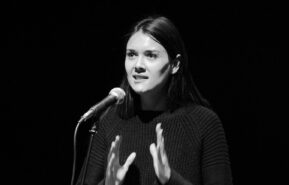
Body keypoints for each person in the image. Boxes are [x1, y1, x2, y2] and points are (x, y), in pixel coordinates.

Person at [76, 15, 233, 185]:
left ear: (175, 65)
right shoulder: (109, 120)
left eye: (151, 55)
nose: (138, 65)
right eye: (131, 55)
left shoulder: (203, 122)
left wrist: (170, 179)